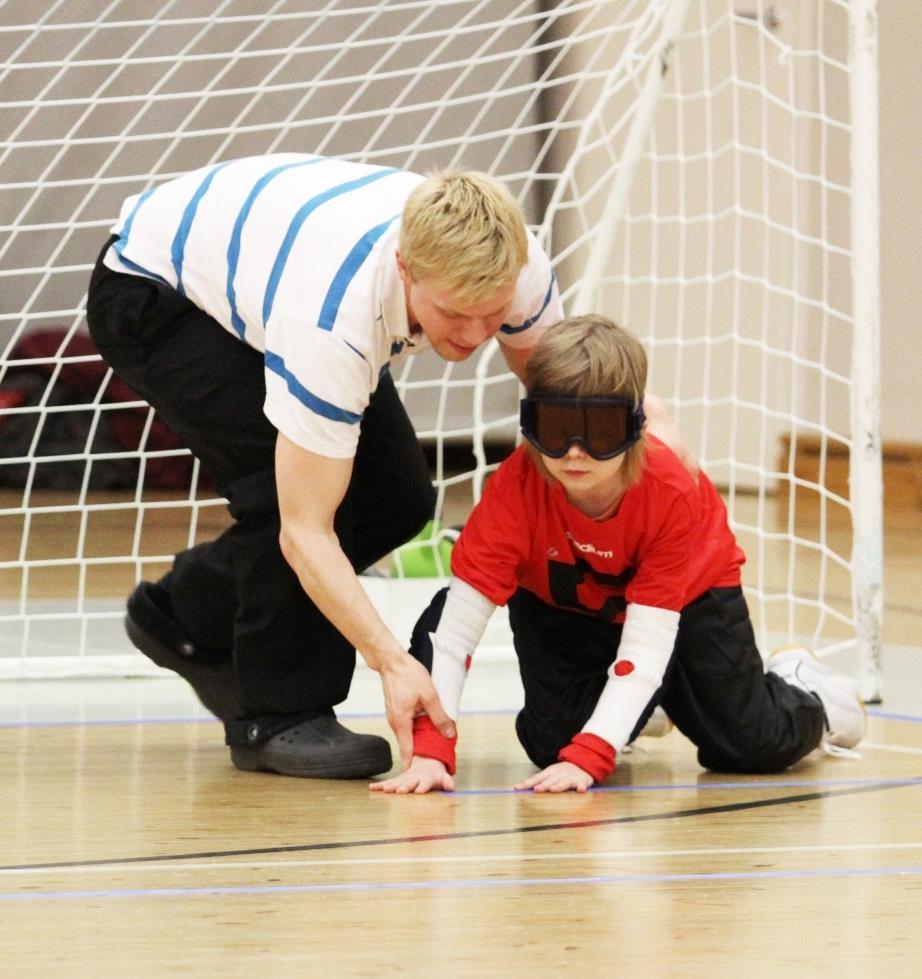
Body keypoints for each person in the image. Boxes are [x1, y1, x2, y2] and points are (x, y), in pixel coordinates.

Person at [86, 153, 568, 780]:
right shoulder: (334, 318)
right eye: (454, 313)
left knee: (395, 499)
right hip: (157, 293)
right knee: (286, 495)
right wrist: (395, 664)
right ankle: (277, 716)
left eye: (493, 312)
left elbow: (562, 398)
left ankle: (185, 616)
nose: (477, 334)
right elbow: (304, 530)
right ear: (406, 266)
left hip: (258, 266)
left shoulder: (519, 264)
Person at [370, 314, 866, 794]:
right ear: (529, 423)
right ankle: (641, 705)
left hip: (684, 601)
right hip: (565, 604)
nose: (574, 453)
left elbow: (648, 642)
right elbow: (454, 631)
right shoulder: (514, 490)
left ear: (633, 426)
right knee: (553, 746)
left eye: (599, 432)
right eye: (557, 428)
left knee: (749, 744)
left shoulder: (670, 492)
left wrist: (594, 754)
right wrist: (434, 752)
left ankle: (813, 695)